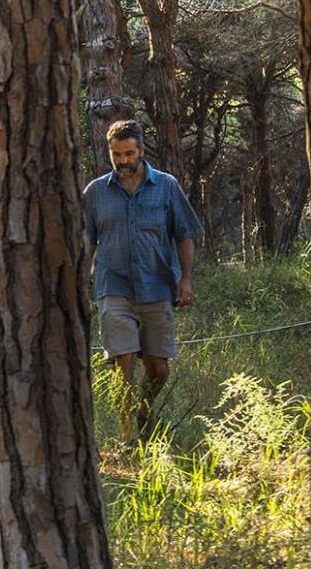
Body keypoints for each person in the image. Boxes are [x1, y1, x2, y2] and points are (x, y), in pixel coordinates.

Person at [82, 119, 202, 441]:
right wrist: (82, 284)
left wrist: (186, 280)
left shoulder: (166, 186)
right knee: (123, 365)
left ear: (142, 150)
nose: (123, 161)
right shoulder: (95, 193)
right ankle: (127, 437)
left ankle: (144, 411)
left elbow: (185, 234)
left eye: (129, 153)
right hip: (113, 287)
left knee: (159, 370)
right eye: (116, 154)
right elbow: (86, 243)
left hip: (156, 286)